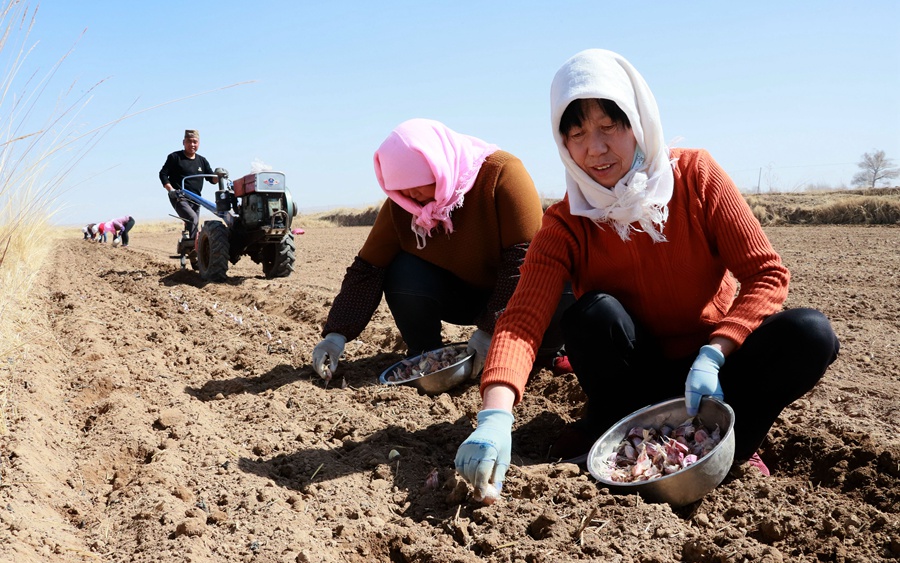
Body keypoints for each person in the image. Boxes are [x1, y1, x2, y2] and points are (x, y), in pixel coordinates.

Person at [455, 49, 840, 503]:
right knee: (593, 314)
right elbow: (521, 321)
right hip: (636, 375)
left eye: (609, 126)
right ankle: (616, 428)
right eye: (576, 133)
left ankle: (733, 444)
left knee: (810, 334)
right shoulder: (566, 222)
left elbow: (766, 274)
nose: (594, 148)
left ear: (638, 120)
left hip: (713, 377)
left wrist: (716, 352)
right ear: (562, 143)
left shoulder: (696, 177)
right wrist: (494, 416)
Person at [311, 118, 573, 382]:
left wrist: (489, 330)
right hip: (463, 297)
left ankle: (544, 353)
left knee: (561, 280)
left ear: (440, 166)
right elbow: (367, 269)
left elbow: (525, 258)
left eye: (420, 182)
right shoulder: (403, 206)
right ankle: (426, 354)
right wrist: (336, 335)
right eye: (402, 188)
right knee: (403, 270)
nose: (412, 194)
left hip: (524, 295)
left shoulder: (502, 174)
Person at [158, 129, 219, 240]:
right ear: (184, 142)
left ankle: (190, 245)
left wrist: (219, 176)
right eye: (189, 141)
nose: (192, 144)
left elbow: (212, 179)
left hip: (196, 199)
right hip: (179, 197)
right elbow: (163, 174)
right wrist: (170, 190)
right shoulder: (175, 157)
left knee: (192, 222)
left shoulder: (202, 161)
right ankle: (194, 247)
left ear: (198, 143)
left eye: (195, 142)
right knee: (192, 218)